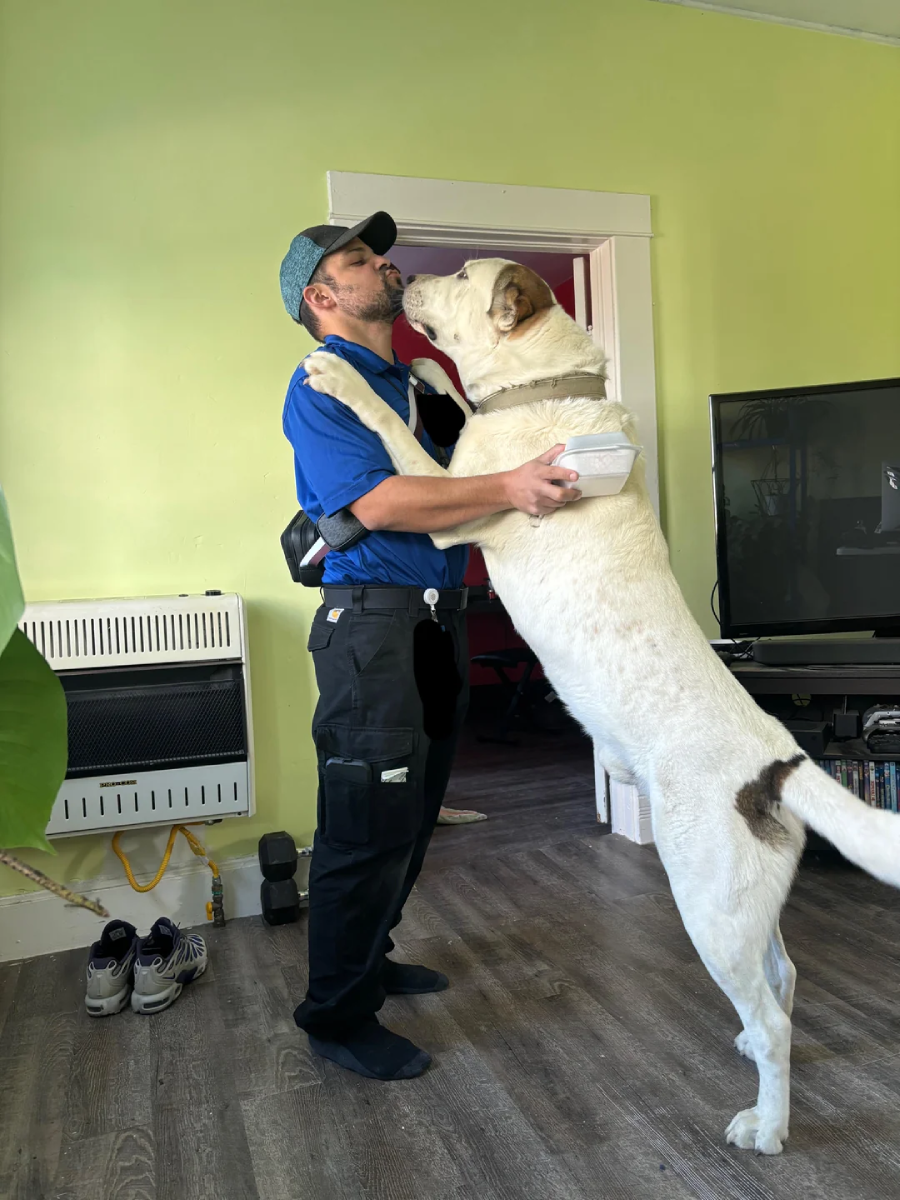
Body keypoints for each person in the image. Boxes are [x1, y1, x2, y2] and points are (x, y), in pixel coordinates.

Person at [279, 212, 580, 1081]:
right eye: (361, 260)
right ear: (322, 294)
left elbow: (466, 476)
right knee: (364, 827)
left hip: (433, 620)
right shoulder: (322, 383)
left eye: (381, 253)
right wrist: (510, 486)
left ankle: (370, 961)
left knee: (414, 817)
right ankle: (335, 1014)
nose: (386, 266)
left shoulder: (416, 376)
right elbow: (375, 504)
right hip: (370, 626)